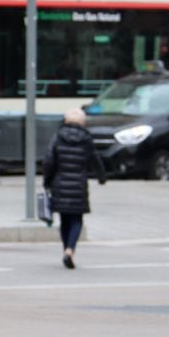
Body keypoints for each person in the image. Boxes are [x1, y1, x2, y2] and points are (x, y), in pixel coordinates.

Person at [42, 107, 106, 269]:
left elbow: (49, 160)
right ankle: (70, 250)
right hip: (79, 183)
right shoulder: (86, 138)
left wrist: (47, 181)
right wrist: (101, 177)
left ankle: (66, 250)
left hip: (59, 183)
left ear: (65, 120)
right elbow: (95, 159)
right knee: (77, 219)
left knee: (64, 220)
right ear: (82, 122)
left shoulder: (57, 137)